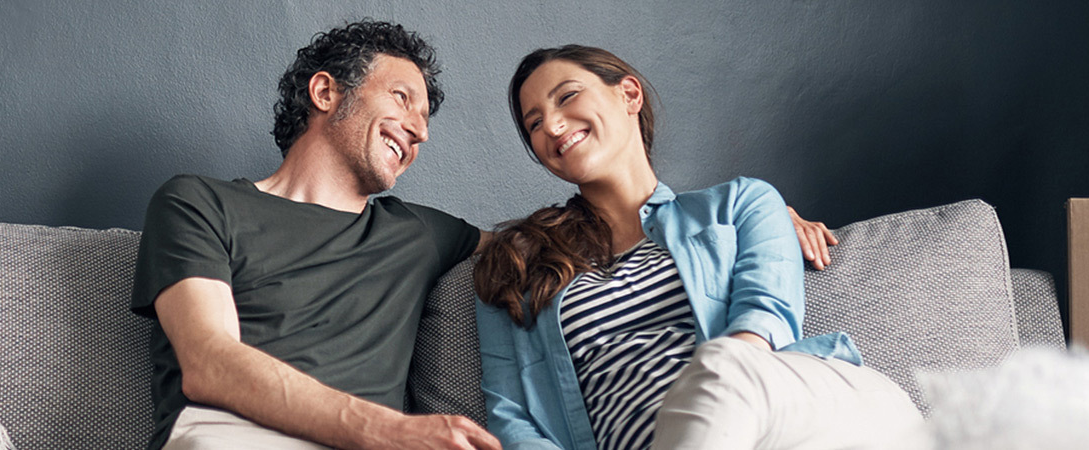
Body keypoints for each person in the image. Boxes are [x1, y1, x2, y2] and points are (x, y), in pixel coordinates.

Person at [130, 23, 836, 449]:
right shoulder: (199, 203)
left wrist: (760, 215)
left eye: (426, 117)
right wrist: (392, 431)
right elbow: (211, 364)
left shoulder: (419, 233)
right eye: (402, 98)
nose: (419, 129)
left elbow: (573, 243)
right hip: (239, 434)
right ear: (325, 94)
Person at [473, 45, 926, 450]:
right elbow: (512, 419)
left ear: (629, 94)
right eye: (534, 123)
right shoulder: (515, 264)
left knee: (726, 365)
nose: (552, 125)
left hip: (796, 415)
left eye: (567, 96)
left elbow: (762, 323)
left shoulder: (742, 203)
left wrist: (715, 388)